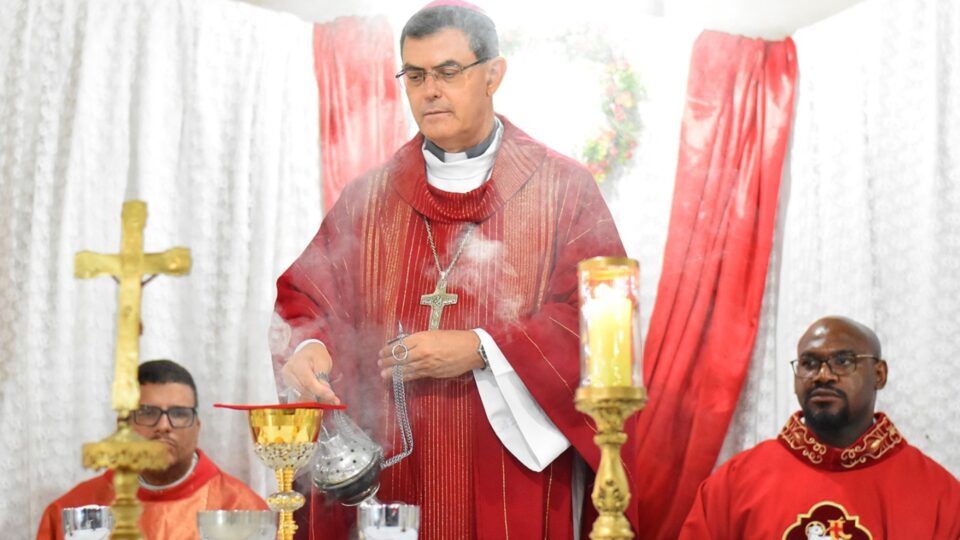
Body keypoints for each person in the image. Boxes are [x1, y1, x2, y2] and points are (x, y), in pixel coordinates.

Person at [272, 2, 632, 538]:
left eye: (447, 72)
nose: (430, 90)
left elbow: (601, 324)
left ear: (493, 75)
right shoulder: (369, 199)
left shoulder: (562, 190)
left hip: (509, 476)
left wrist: (483, 349)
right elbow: (308, 299)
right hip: (393, 469)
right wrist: (308, 348)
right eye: (415, 75)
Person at [679, 316, 960, 539]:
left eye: (843, 361)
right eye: (809, 363)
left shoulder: (940, 496)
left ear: (879, 375)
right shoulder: (733, 484)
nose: (823, 375)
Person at [36, 360, 268, 539]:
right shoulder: (72, 512)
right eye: (148, 412)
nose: (163, 426)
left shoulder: (241, 510)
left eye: (178, 414)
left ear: (197, 427)